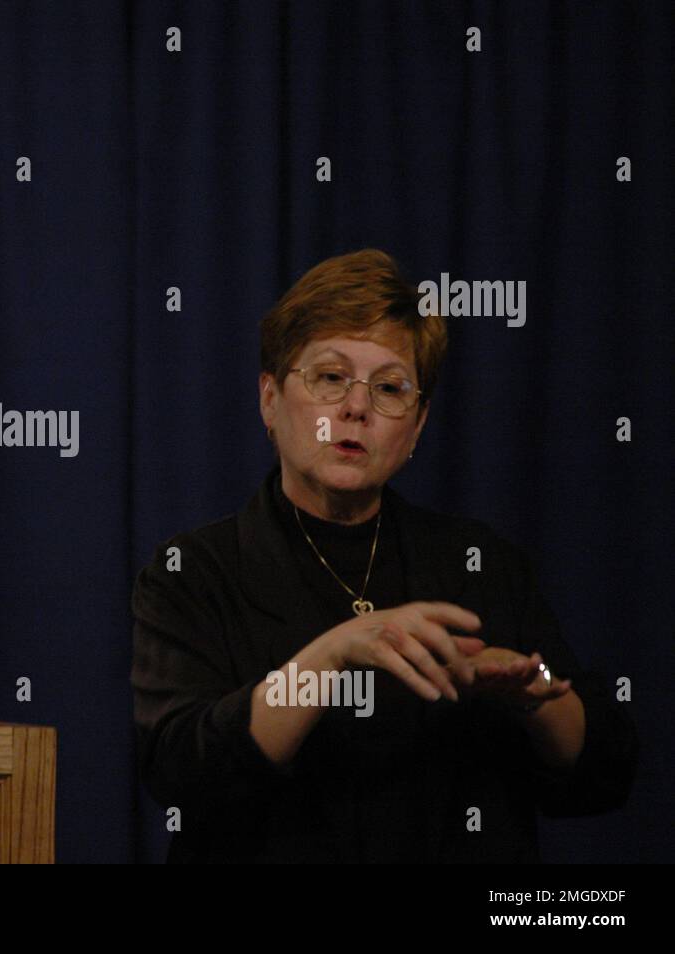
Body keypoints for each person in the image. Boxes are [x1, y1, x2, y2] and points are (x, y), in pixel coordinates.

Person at [130, 249, 636, 862]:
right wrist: (337, 651)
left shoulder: (479, 562)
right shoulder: (196, 570)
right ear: (270, 399)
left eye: (390, 387)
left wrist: (535, 692)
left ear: (417, 425)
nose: (356, 407)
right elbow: (183, 774)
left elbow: (603, 774)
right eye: (330, 377)